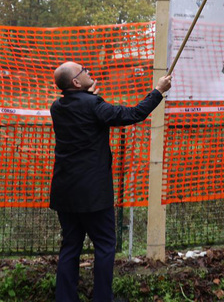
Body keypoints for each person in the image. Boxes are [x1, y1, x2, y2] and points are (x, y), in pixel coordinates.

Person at [49, 61, 172, 302]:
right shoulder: (94, 105)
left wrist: (91, 99)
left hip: (65, 191)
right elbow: (133, 114)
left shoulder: (57, 107)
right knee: (105, 246)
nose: (88, 72)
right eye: (83, 71)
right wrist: (158, 91)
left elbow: (84, 109)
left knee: (70, 247)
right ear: (75, 82)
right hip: (93, 194)